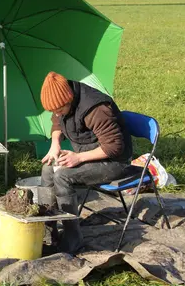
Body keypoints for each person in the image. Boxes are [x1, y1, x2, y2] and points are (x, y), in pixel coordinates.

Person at [40, 71, 133, 253]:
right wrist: (55, 144)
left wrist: (79, 157)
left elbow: (115, 147)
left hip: (114, 162)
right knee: (47, 169)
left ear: (70, 99)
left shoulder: (96, 109)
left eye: (59, 110)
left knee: (63, 177)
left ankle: (73, 237)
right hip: (88, 153)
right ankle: (48, 230)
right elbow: (57, 122)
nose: (56, 114)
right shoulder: (64, 98)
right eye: (53, 110)